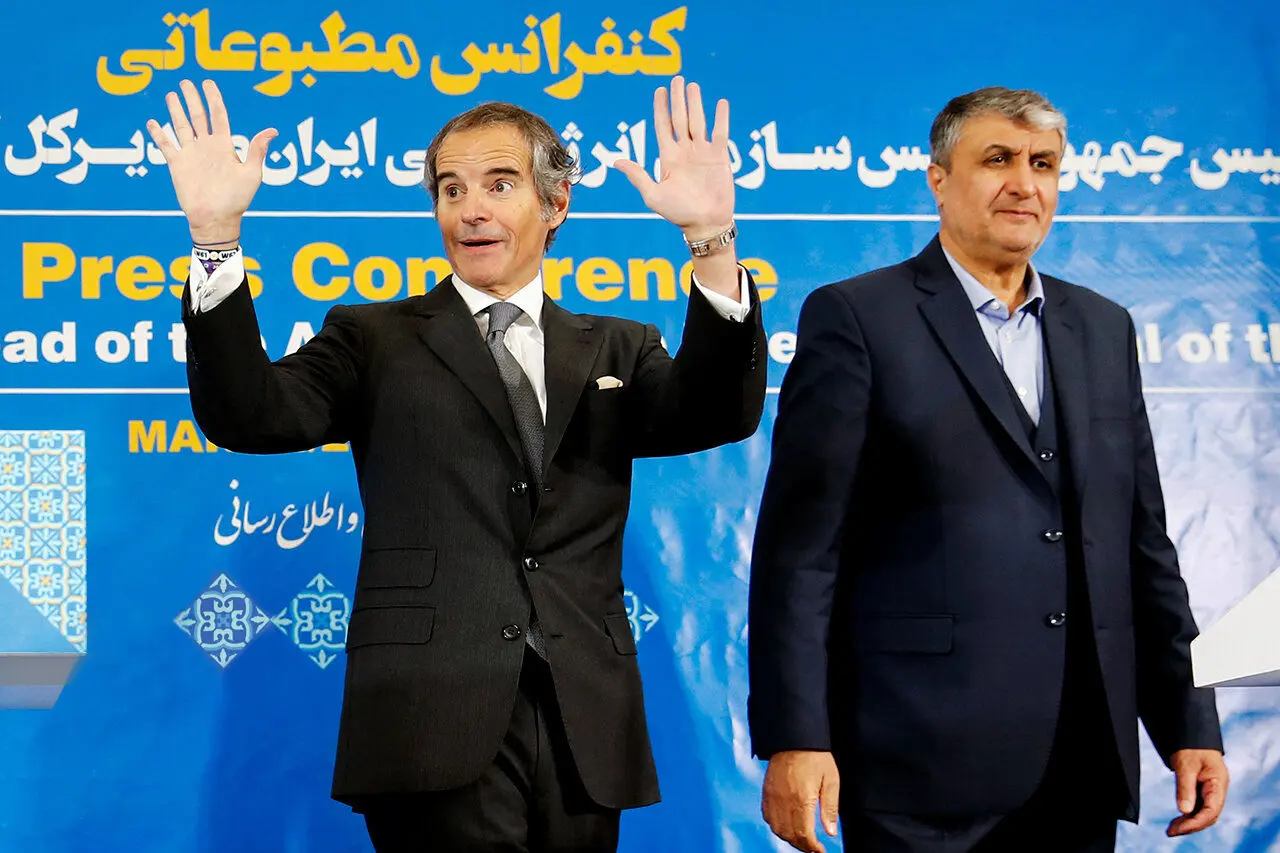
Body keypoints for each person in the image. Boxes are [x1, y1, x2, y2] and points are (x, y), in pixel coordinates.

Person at [146, 75, 767, 852]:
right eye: (451, 188)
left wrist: (711, 241)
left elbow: (717, 411)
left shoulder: (618, 347)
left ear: (556, 204)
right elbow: (252, 414)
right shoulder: (373, 339)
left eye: (499, 184)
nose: (470, 208)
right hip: (430, 713)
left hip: (581, 719)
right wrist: (215, 238)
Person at [746, 86, 1228, 853]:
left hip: (1078, 762)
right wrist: (796, 735)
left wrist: (1188, 720)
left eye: (1044, 164)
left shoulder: (1103, 327)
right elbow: (800, 551)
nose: (1024, 184)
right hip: (914, 763)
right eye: (997, 159)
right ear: (939, 180)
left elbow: (1142, 546)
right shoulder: (858, 317)